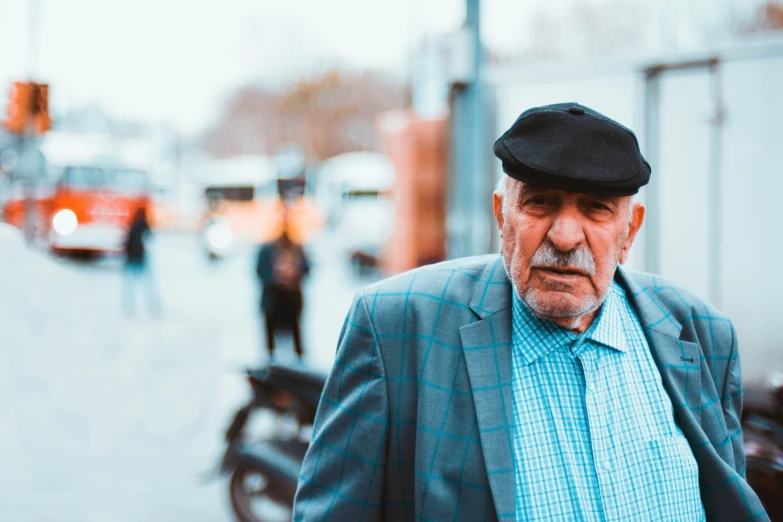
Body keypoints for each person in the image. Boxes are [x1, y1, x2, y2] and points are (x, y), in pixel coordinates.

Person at [293, 103, 768, 521]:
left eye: (596, 208)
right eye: (539, 202)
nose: (564, 237)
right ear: (502, 214)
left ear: (629, 231)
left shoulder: (700, 332)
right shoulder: (395, 327)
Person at [256, 214, 310, 361]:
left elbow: (307, 269)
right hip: (273, 300)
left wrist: (293, 276)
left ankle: (299, 368)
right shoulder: (266, 250)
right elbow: (260, 271)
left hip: (291, 301)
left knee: (296, 339)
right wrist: (277, 279)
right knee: (270, 344)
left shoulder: (297, 248)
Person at [122, 207, 159, 317]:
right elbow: (151, 236)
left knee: (130, 284)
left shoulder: (133, 224)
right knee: (147, 284)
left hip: (131, 257)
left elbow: (127, 241)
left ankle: (129, 306)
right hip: (139, 257)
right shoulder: (143, 224)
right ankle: (152, 306)